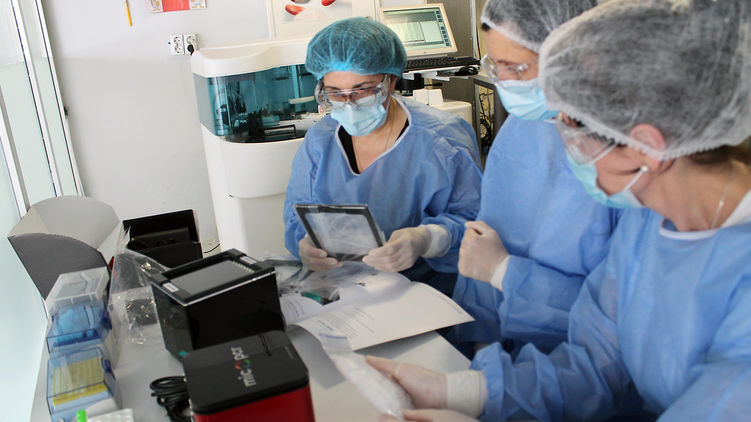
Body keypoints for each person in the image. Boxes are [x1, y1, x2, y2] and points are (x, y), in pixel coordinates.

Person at [370, 0, 751, 420]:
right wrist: (463, 392)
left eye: (574, 129)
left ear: (648, 145)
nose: (566, 149)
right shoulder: (648, 225)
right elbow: (594, 360)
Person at [451, 0, 615, 355]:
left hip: (579, 362)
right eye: (495, 65)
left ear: (574, 57)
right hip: (505, 354)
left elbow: (619, 317)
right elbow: (487, 234)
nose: (503, 81)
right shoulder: (523, 126)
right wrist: (482, 344)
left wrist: (504, 272)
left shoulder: (623, 155)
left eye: (516, 67)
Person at [283, 17, 482, 296]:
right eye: (335, 94)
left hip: (425, 293)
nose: (349, 105)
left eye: (363, 91)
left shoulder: (442, 141)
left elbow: (473, 223)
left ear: (391, 81)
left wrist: (426, 239)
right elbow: (298, 216)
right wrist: (305, 245)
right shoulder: (321, 139)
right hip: (342, 291)